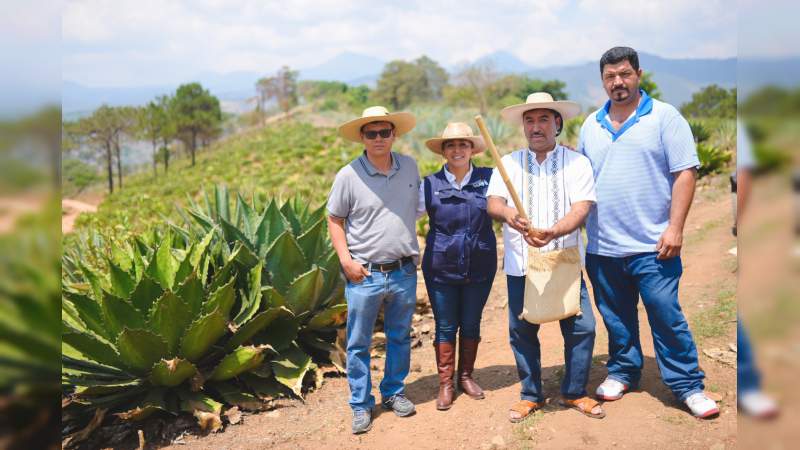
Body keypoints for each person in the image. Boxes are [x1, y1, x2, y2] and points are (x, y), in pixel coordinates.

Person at [577, 46, 719, 418]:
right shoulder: (591, 125)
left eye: (624, 74)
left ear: (638, 73)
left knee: (665, 313)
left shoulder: (665, 117)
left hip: (654, 245)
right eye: (610, 76)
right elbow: (582, 181)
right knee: (616, 316)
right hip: (604, 246)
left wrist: (675, 228)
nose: (618, 82)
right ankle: (624, 371)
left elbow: (685, 173)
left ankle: (688, 385)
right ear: (602, 81)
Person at [486, 92, 604, 422]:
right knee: (522, 331)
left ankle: (575, 391)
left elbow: (582, 207)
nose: (536, 126)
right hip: (521, 264)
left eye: (543, 119)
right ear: (524, 126)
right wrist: (510, 215)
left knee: (582, 328)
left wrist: (553, 230)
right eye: (530, 120)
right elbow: (493, 203)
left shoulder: (576, 162)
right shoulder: (508, 162)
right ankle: (530, 394)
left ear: (557, 124)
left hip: (563, 259)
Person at [327, 106, 421, 434]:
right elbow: (335, 219)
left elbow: (419, 209)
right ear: (363, 138)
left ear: (394, 134)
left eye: (385, 132)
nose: (379, 138)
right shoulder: (348, 175)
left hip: (403, 271)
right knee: (358, 342)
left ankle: (394, 392)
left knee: (399, 337)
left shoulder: (409, 167)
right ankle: (361, 403)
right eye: (372, 133)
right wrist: (345, 260)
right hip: (363, 274)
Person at [418, 122, 497, 410]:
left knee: (472, 322)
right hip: (441, 266)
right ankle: (445, 384)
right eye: (450, 145)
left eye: (463, 144)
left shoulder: (490, 178)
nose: (457, 150)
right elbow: (406, 215)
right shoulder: (429, 185)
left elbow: (512, 201)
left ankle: (465, 376)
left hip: (480, 263)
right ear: (443, 151)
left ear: (472, 148)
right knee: (446, 325)